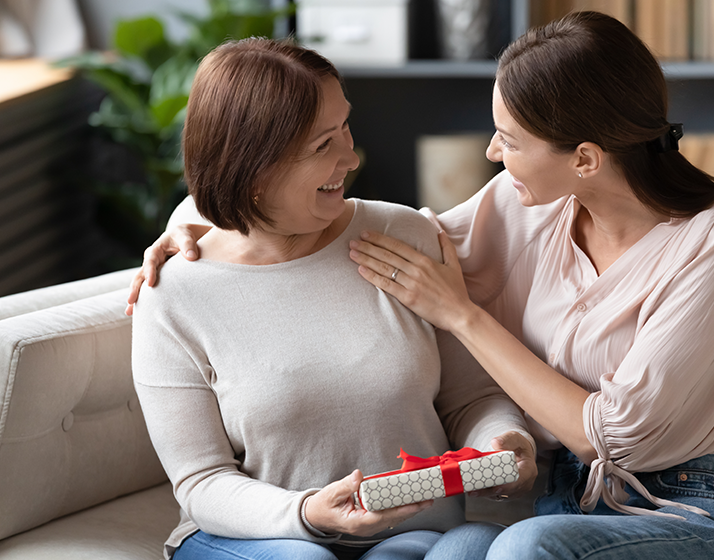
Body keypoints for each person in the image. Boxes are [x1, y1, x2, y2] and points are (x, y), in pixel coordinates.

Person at [130, 12, 714, 560]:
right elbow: (345, 232)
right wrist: (196, 217)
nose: (493, 153)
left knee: (512, 548)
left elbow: (618, 437)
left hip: (688, 498)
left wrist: (464, 317)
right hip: (561, 498)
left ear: (584, 158)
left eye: (511, 140)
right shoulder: (531, 201)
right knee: (486, 546)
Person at [130, 37, 537, 560]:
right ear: (254, 170)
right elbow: (201, 481)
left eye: (345, 126)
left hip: (414, 536)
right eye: (323, 146)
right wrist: (304, 514)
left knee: (473, 545)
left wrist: (504, 441)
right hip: (260, 538)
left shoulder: (404, 236)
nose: (351, 156)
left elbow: (470, 399)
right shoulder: (174, 294)